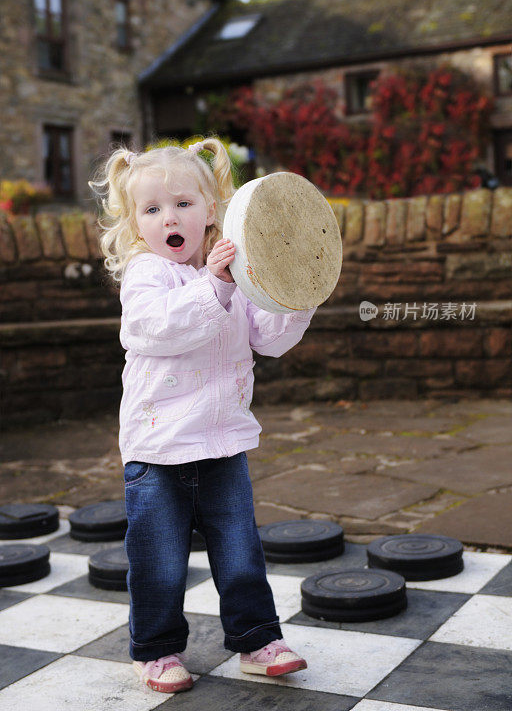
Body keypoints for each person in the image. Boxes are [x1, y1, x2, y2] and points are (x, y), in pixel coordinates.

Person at [89, 138, 316, 694]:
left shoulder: (233, 274)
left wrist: (297, 294)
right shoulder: (147, 277)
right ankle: (157, 650)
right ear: (136, 224)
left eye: (184, 204)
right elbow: (156, 329)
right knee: (159, 562)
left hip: (222, 444)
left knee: (240, 552)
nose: (170, 217)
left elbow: (269, 337)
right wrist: (214, 285)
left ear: (211, 210)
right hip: (158, 449)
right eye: (152, 209)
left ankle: (258, 639)